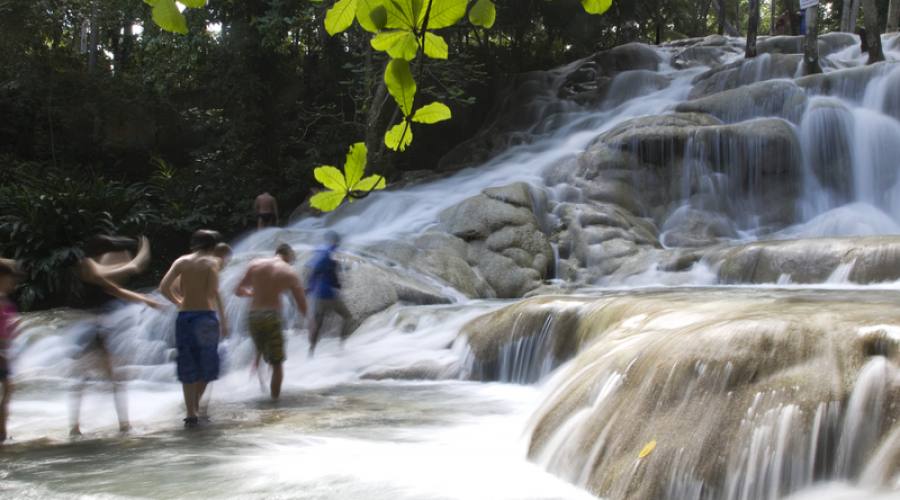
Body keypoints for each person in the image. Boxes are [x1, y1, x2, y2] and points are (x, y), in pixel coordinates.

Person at [69, 235, 163, 436]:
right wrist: (135, 263)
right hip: (92, 328)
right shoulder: (86, 263)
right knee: (93, 378)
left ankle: (116, 424)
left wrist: (146, 300)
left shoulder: (95, 268)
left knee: (102, 379)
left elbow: (116, 290)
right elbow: (109, 274)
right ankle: (90, 426)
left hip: (98, 328)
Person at [158, 229, 229, 428]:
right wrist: (223, 319)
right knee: (207, 363)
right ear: (213, 246)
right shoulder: (212, 263)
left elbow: (163, 287)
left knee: (187, 363)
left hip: (185, 316)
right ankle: (197, 404)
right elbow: (213, 292)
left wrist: (179, 301)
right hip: (205, 317)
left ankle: (191, 413)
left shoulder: (181, 261)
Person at [234, 244, 308, 399]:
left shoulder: (255, 264)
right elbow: (302, 304)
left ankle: (260, 387)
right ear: (288, 255)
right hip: (272, 316)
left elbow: (238, 290)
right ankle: (274, 401)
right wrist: (310, 323)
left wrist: (254, 293)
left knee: (260, 351)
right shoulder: (289, 272)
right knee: (277, 363)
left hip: (253, 315)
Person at [306, 231, 352, 356]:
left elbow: (313, 269)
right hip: (328, 294)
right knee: (348, 317)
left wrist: (309, 287)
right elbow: (332, 271)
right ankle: (341, 346)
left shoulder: (318, 251)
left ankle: (311, 351)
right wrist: (337, 284)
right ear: (335, 241)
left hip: (317, 294)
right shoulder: (331, 252)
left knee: (319, 324)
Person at [0, 259, 22, 443]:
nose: (13, 283)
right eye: (10, 279)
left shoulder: (4, 300)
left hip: (4, 352)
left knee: (8, 391)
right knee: (7, 391)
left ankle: (2, 433)